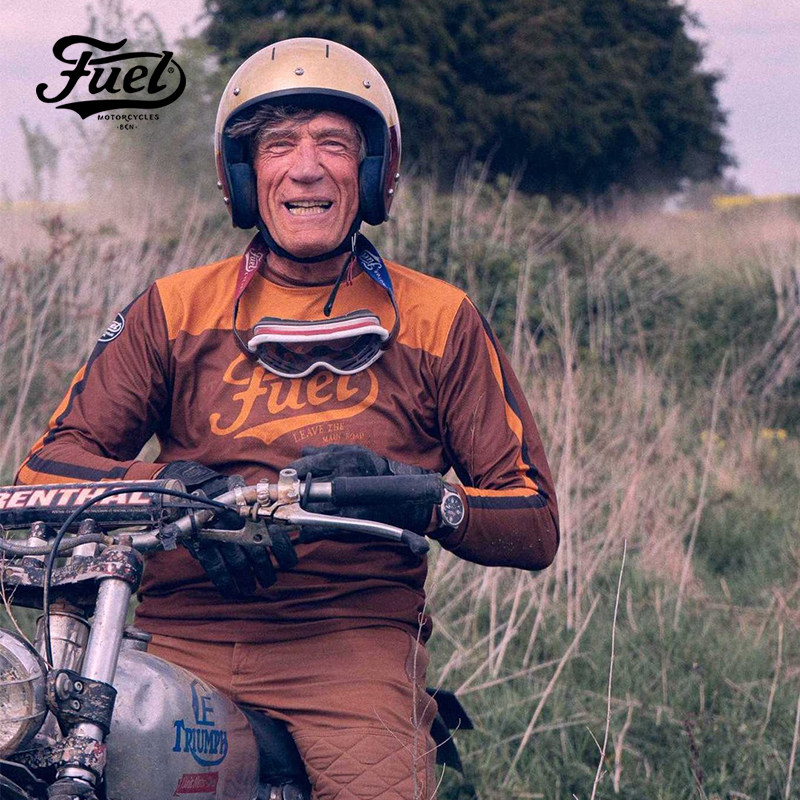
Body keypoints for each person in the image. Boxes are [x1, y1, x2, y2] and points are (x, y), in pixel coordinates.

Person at [16, 37, 559, 800]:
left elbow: (534, 522)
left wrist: (422, 497)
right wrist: (165, 487)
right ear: (243, 175)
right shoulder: (173, 310)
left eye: (333, 143)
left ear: (373, 171)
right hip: (175, 636)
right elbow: (46, 470)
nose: (306, 167)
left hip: (351, 646)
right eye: (279, 145)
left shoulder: (440, 319)